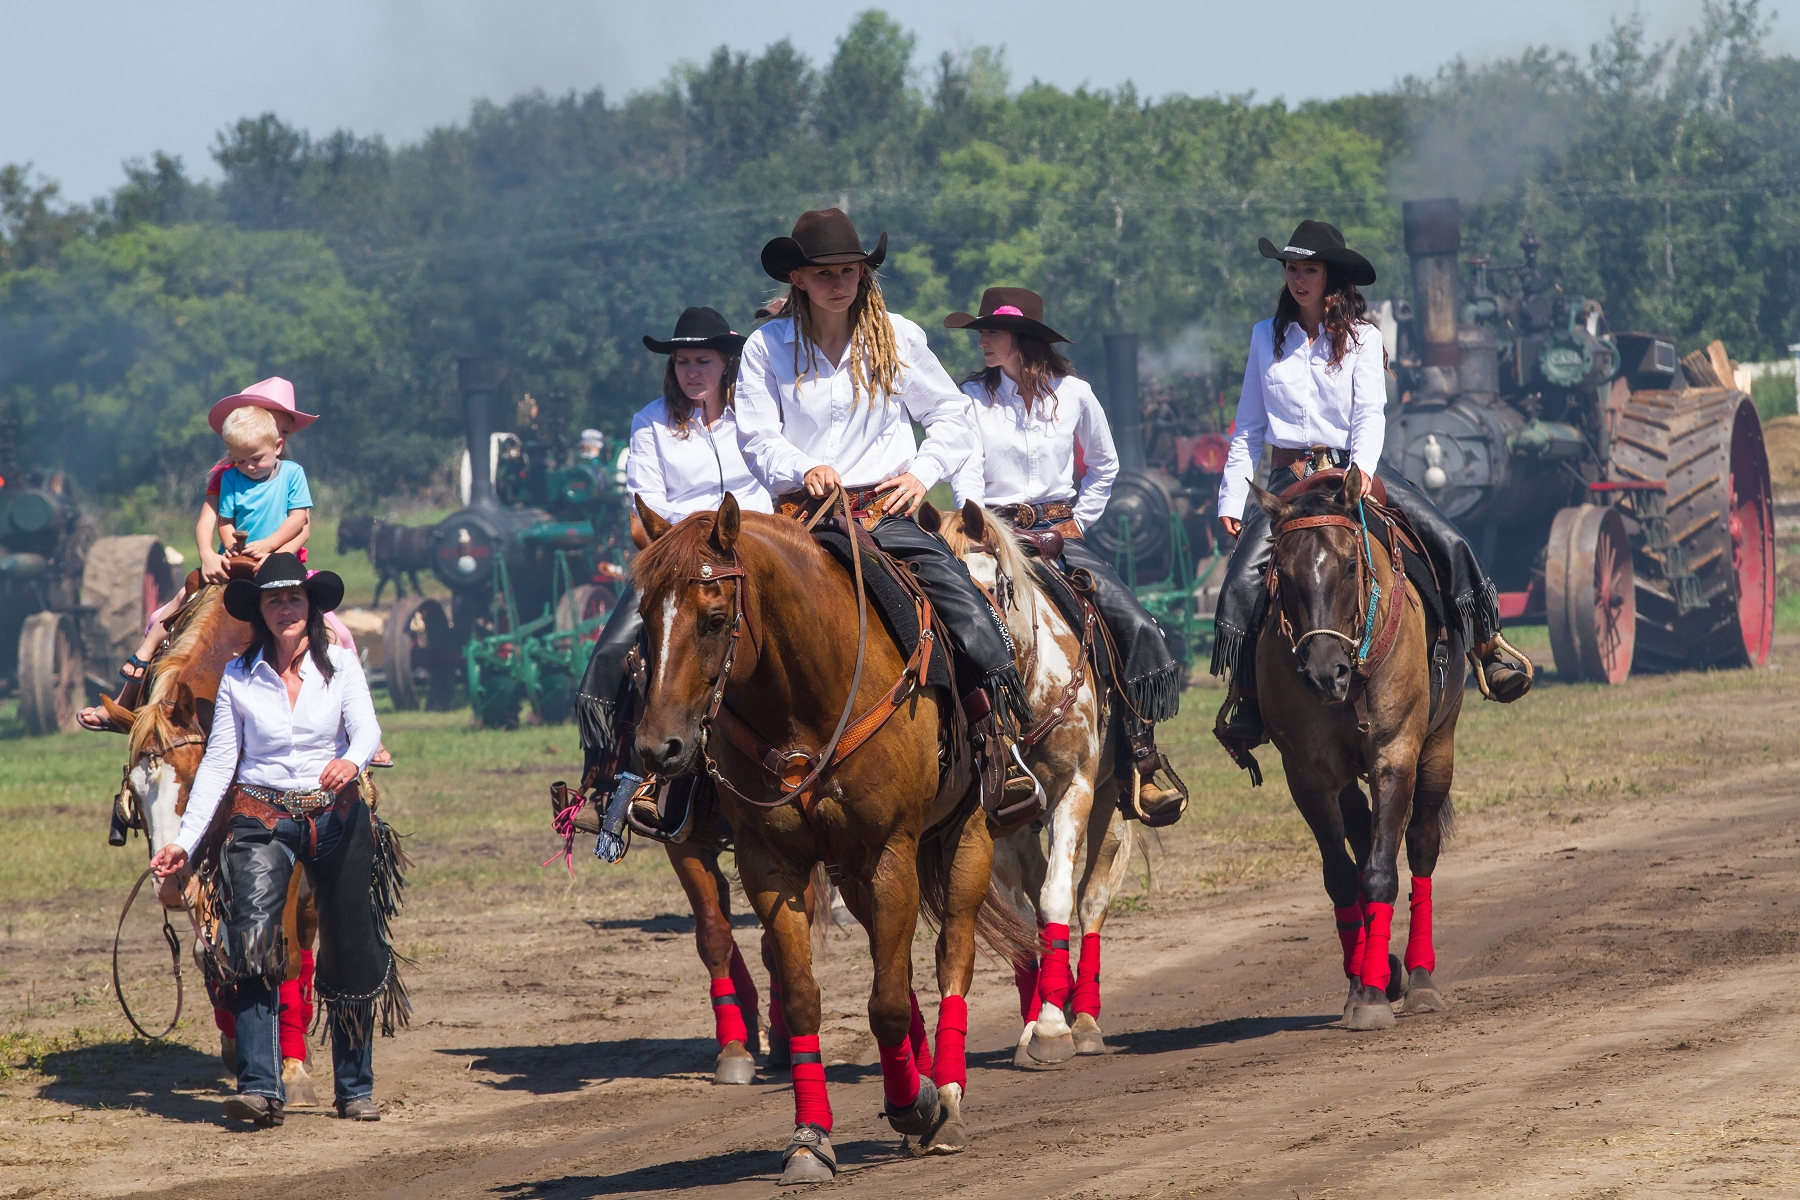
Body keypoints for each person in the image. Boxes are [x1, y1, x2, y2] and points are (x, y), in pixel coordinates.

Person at [734, 209, 1032, 782]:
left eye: (849, 270)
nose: (838, 282)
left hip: (884, 514)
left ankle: (997, 743)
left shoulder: (896, 335)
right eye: (824, 274)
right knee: (724, 620)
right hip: (803, 519)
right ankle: (697, 774)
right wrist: (802, 466)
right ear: (796, 278)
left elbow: (950, 415)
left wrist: (922, 473)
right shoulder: (765, 346)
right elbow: (754, 435)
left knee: (964, 605)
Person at [1213, 220, 1531, 747]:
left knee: (1445, 539)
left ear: (1330, 277)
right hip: (1288, 479)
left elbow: (1369, 415)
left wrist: (1359, 472)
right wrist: (1231, 496)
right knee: (1241, 582)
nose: (1297, 280)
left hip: (1352, 471)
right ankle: (1248, 697)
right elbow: (1248, 426)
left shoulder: (1363, 337)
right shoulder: (1262, 338)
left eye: (1308, 269)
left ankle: (1485, 645)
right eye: (1291, 269)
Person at [148, 554, 395, 1126]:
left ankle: (355, 1088)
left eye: (294, 598)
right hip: (260, 820)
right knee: (253, 943)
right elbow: (218, 764)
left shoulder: (340, 668)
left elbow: (366, 731)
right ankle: (260, 1087)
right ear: (259, 611)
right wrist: (185, 841)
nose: (285, 607)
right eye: (273, 599)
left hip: (336, 815)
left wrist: (350, 761)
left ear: (310, 608)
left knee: (352, 947)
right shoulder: (239, 674)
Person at [946, 286, 1184, 819]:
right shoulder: (969, 396)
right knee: (952, 628)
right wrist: (977, 523)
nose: (982, 339)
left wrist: (1078, 522)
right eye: (981, 331)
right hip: (992, 536)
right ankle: (969, 761)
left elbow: (1105, 464)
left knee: (1137, 626)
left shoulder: (1075, 393)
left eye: (992, 330)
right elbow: (965, 470)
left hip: (1060, 537)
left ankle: (1140, 765)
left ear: (1024, 339)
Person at [576, 307, 774, 798]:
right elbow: (642, 517)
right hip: (676, 563)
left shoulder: (758, 415)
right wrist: (691, 543)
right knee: (608, 655)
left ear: (727, 362)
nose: (691, 372)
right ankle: (605, 784)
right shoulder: (650, 422)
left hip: (755, 557)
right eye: (682, 361)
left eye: (702, 361)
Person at [79, 378, 331, 730]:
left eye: (285, 430)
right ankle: (128, 699)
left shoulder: (291, 475)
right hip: (233, 561)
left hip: (280, 563)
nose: (282, 436)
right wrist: (213, 554)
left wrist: (274, 553)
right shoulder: (229, 476)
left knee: (334, 631)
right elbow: (214, 521)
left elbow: (301, 525)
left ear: (279, 439)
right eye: (274, 423)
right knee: (162, 617)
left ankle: (353, 717)